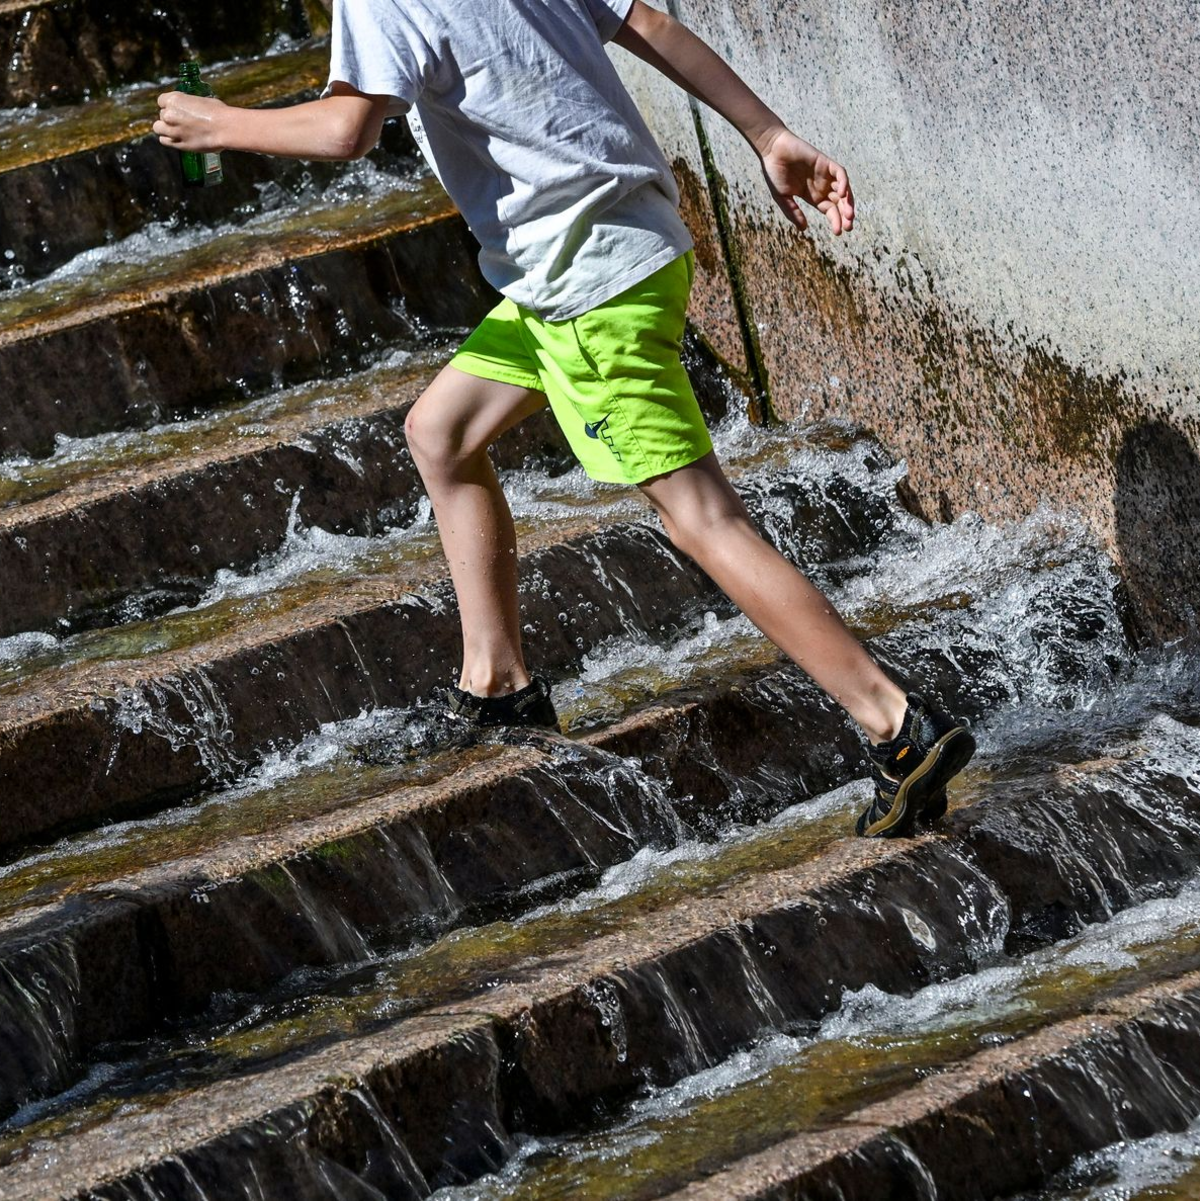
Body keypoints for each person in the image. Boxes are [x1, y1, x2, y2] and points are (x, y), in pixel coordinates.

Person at [153, 0, 975, 837]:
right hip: (624, 247)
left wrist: (221, 124)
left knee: (702, 518)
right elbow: (649, 25)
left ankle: (893, 721)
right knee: (441, 433)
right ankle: (497, 685)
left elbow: (346, 130)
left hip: (583, 288)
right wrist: (767, 136)